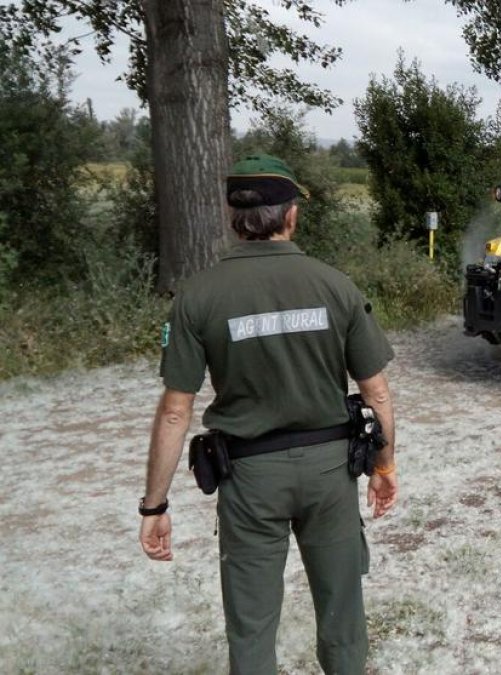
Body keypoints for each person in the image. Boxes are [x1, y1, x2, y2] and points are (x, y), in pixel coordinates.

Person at [137, 154, 399, 674]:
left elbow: (175, 411)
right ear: (292, 215)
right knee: (343, 614)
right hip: (330, 474)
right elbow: (378, 393)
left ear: (234, 219)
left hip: (250, 480)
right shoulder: (335, 285)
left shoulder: (197, 296)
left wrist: (154, 506)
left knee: (252, 626)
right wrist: (385, 466)